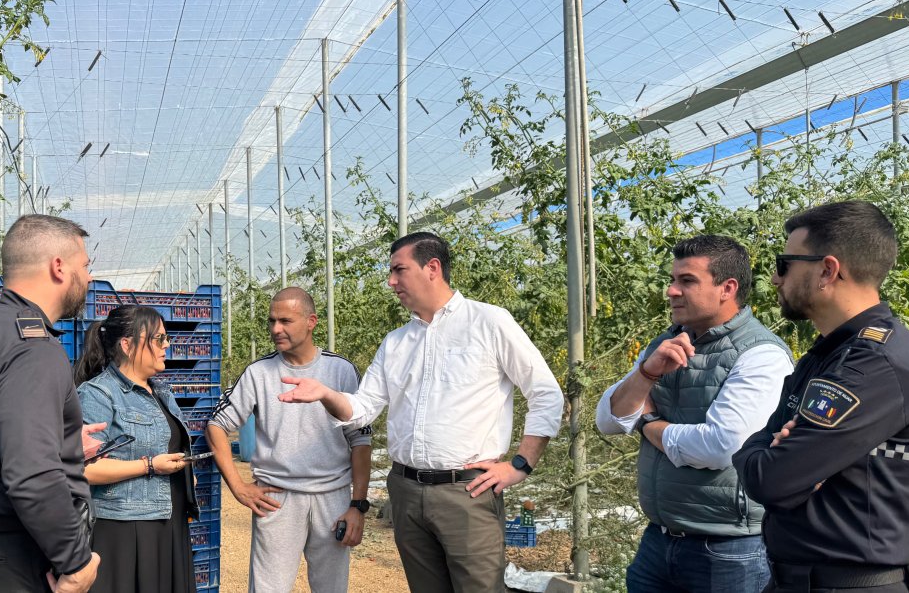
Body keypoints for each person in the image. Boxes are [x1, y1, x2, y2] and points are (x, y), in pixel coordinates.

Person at [279, 231, 564, 593]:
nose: (391, 282)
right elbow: (363, 408)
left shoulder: (489, 323)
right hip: (406, 492)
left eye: (399, 270)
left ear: (432, 268)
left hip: (467, 492)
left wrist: (521, 464)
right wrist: (325, 394)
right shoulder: (396, 341)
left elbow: (545, 393)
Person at [734, 201, 909, 593]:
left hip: (850, 585)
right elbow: (760, 452)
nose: (774, 278)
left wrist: (772, 455)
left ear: (827, 270)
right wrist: (770, 450)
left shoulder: (876, 366)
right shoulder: (831, 354)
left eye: (785, 263)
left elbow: (770, 478)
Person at [595, 235, 793, 592]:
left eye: (686, 281)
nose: (672, 290)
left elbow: (723, 448)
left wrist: (649, 423)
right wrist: (646, 374)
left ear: (726, 288)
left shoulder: (760, 355)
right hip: (658, 540)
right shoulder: (667, 343)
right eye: (672, 280)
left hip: (728, 550)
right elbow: (607, 420)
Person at [0, 214, 101, 593]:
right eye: (85, 265)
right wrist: (76, 562)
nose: (89, 277)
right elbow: (31, 477)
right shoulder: (33, 349)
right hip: (15, 558)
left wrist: (61, 443)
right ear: (58, 267)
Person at [205, 287, 372, 593]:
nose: (275, 329)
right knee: (269, 588)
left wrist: (357, 505)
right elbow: (216, 424)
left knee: (332, 588)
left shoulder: (340, 370)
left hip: (332, 498)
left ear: (311, 321)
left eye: (285, 320)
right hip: (277, 498)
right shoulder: (258, 373)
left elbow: (360, 439)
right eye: (271, 321)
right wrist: (238, 486)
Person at [75, 305, 198, 593]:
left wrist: (183, 472)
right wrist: (151, 465)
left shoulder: (162, 393)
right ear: (127, 345)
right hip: (126, 528)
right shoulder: (97, 394)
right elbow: (86, 469)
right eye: (158, 339)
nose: (166, 345)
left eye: (166, 338)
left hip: (169, 523)